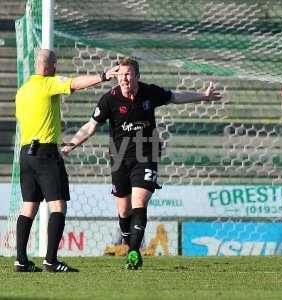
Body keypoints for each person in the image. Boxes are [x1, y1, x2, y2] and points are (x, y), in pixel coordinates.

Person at [62, 57, 222, 270]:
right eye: (120, 74)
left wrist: (203, 96)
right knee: (124, 211)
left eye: (128, 74)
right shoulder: (109, 99)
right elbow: (90, 126)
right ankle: (132, 246)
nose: (124, 78)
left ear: (137, 76)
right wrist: (70, 145)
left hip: (146, 154)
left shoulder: (149, 92)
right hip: (119, 157)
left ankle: (134, 252)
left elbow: (175, 96)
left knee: (140, 202)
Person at [14, 49, 119, 272]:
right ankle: (51, 261)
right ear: (51, 66)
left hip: (25, 154)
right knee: (58, 206)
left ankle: (21, 260)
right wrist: (103, 76)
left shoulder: (22, 91)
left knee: (28, 208)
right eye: (56, 64)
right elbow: (75, 83)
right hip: (45, 153)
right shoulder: (48, 83)